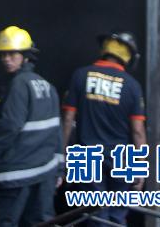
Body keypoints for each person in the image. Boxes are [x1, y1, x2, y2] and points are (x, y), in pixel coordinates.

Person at [0, 26, 63, 227]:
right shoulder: (47, 86)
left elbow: (9, 126)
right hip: (44, 173)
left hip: (15, 173)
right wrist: (59, 169)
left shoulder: (19, 84)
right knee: (41, 222)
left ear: (26, 56)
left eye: (12, 54)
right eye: (3, 54)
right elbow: (57, 131)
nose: (6, 58)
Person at [62, 31, 146, 225]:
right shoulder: (132, 86)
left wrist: (63, 156)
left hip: (87, 158)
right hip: (121, 159)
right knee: (117, 215)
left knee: (94, 214)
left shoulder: (80, 76)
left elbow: (67, 119)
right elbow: (138, 132)